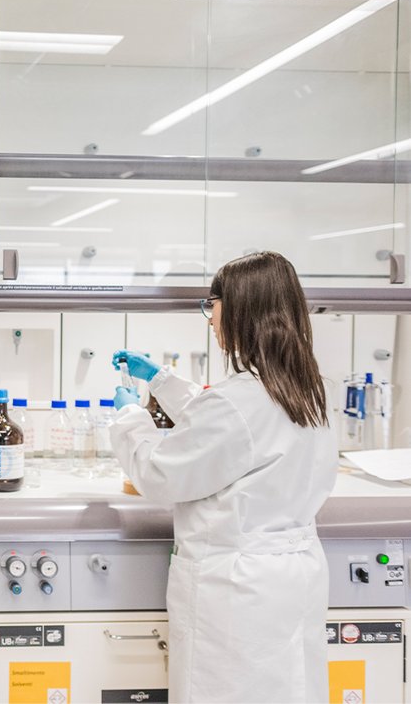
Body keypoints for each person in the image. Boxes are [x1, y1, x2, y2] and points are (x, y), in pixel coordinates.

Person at [109, 251, 336, 702]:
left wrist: (129, 418)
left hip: (236, 589)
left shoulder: (238, 402)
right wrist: (161, 381)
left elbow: (160, 474)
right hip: (293, 579)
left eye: (211, 304)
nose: (209, 318)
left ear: (240, 308)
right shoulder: (305, 388)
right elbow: (233, 429)